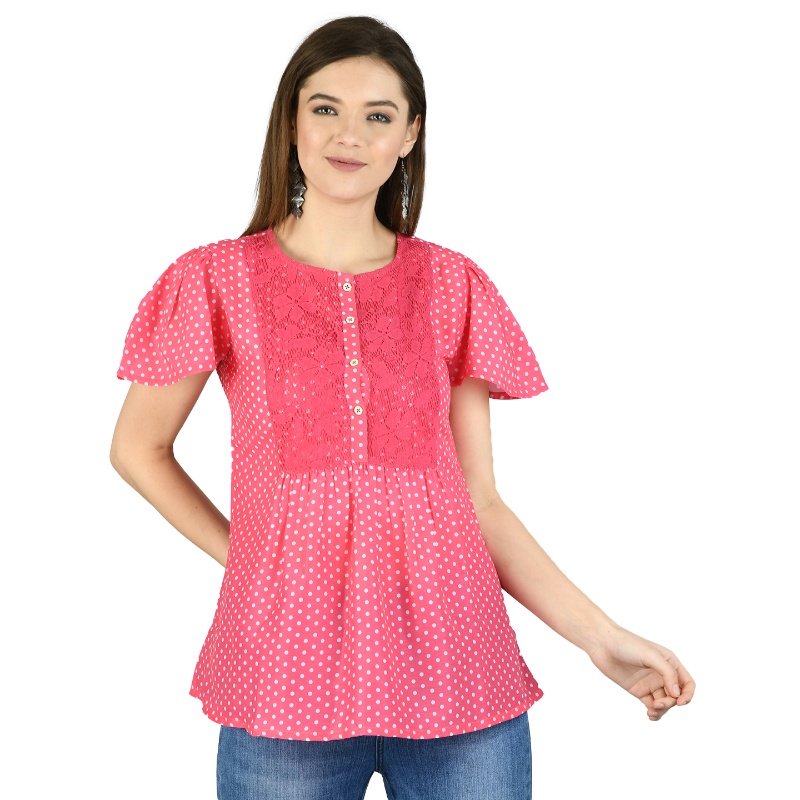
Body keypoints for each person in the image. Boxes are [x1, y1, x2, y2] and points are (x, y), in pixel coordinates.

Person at [110, 15, 694, 800]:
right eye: (325, 108)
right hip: (284, 672)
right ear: (291, 122)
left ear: (409, 134)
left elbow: (480, 502)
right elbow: (138, 449)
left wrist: (601, 638)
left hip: (460, 670)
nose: (349, 134)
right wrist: (246, 556)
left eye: (378, 115)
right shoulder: (215, 279)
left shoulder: (452, 284)